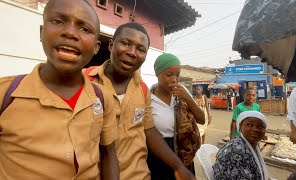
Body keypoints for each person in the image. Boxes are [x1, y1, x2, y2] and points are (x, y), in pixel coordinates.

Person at [0, 0, 119, 179]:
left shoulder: (103, 98)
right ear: (41, 32)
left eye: (85, 29)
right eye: (58, 21)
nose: (70, 33)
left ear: (96, 47)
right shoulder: (5, 94)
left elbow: (109, 154)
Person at [85, 23, 195, 180]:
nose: (132, 53)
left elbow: (149, 130)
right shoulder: (84, 81)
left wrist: (177, 166)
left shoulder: (142, 90)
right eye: (126, 43)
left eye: (141, 49)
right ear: (111, 45)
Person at [147, 53, 205, 180]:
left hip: (185, 152)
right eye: (169, 74)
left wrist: (188, 98)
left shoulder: (182, 91)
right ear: (157, 74)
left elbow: (202, 120)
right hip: (160, 154)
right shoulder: (147, 98)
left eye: (177, 75)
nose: (174, 79)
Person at [213, 111, 268, 180]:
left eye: (260, 127)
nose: (255, 129)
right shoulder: (235, 149)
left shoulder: (252, 146)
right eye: (250, 125)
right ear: (240, 127)